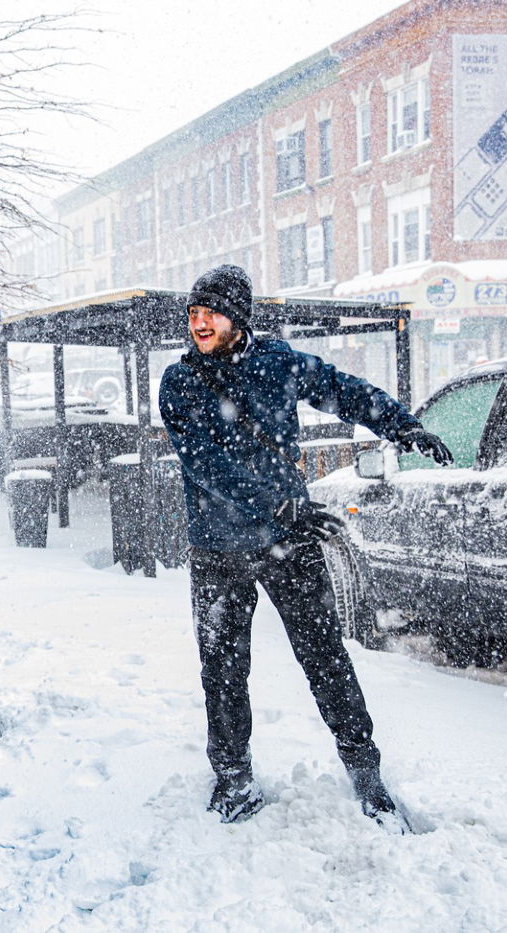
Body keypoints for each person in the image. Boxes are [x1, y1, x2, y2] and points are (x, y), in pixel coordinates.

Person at [158, 264, 452, 832]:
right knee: (222, 670)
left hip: (287, 544)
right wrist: (276, 501)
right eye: (193, 314)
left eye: (210, 313)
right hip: (220, 551)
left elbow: (344, 392)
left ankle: (366, 774)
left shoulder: (278, 363)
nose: (198, 323)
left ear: (237, 318)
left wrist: (401, 425)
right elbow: (205, 462)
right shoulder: (180, 382)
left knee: (325, 659)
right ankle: (234, 780)